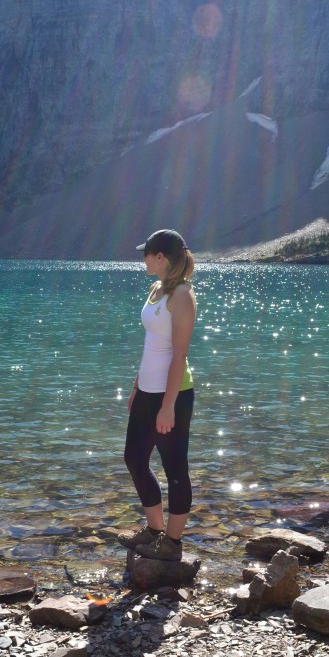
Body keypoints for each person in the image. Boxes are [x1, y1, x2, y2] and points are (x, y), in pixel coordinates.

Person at [119, 229, 197, 562]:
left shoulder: (182, 295)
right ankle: (154, 531)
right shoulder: (156, 290)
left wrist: (167, 406)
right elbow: (151, 346)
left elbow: (178, 355)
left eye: (146, 254)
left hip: (173, 395)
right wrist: (137, 386)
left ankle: (173, 543)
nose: (143, 259)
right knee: (134, 459)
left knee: (174, 467)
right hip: (147, 391)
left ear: (160, 257)